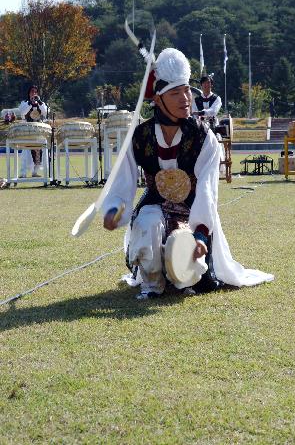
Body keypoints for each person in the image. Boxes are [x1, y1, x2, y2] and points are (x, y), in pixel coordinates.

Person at [102, 48, 273, 300]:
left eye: (186, 91)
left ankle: (184, 270)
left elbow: (207, 190)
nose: (185, 99)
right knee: (147, 223)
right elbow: (123, 181)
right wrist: (113, 209)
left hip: (193, 210)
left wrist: (202, 233)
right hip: (155, 204)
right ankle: (151, 286)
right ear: (158, 99)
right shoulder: (140, 137)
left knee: (190, 272)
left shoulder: (204, 138)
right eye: (175, 93)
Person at [19, 85, 48, 177]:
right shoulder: (24, 103)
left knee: (39, 152)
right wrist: (30, 103)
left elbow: (45, 112)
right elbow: (22, 112)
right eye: (32, 91)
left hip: (39, 132)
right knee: (26, 152)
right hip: (27, 131)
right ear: (29, 93)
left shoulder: (41, 103)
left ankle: (35, 172)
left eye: (36, 91)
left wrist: (39, 102)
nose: (34, 93)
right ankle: (23, 173)